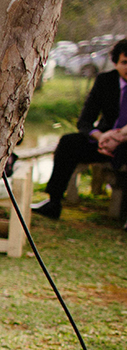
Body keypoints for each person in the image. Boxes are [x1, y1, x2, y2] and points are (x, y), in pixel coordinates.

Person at [33, 38, 127, 221]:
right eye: (125, 62)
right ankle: (53, 202)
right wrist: (100, 137)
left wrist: (120, 138)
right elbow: (85, 120)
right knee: (69, 142)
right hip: (103, 141)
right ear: (116, 62)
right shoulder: (105, 81)